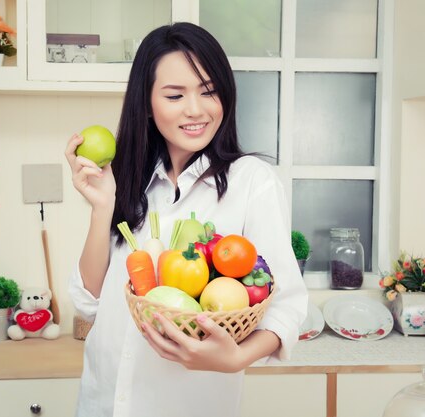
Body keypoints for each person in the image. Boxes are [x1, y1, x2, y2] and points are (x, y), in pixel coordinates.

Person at [65, 22, 308, 417]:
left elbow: (287, 307)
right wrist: (102, 208)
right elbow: (90, 302)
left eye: (209, 92)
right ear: (146, 103)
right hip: (102, 401)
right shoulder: (126, 176)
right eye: (175, 95)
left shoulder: (251, 182)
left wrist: (233, 359)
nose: (196, 110)